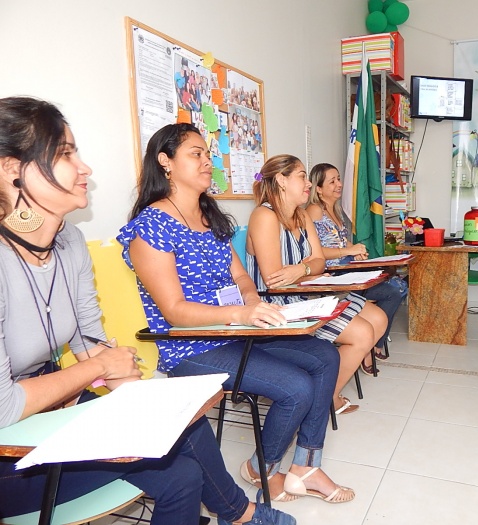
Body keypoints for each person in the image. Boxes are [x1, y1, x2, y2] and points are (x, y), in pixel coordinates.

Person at [0, 97, 294, 525]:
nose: (85, 168)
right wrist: (98, 368)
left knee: (182, 443)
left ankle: (237, 512)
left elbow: (88, 339)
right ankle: (240, 513)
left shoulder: (68, 242)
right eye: (65, 154)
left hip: (52, 406)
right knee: (182, 468)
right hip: (10, 445)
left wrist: (131, 388)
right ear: (12, 170)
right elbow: (6, 405)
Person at [117, 124, 354, 505]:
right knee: (297, 388)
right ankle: (263, 468)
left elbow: (242, 277)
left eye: (207, 154)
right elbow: (175, 312)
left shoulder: (210, 217)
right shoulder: (151, 227)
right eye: (196, 154)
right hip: (192, 346)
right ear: (165, 162)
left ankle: (305, 466)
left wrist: (254, 304)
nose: (207, 161)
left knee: (326, 355)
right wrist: (242, 313)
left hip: (237, 330)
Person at [246, 154, 388, 414]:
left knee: (378, 318)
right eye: (302, 176)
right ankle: (327, 399)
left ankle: (322, 394)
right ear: (281, 181)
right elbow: (274, 279)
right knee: (362, 333)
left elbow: (320, 260)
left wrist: (302, 269)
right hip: (277, 305)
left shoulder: (301, 215)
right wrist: (308, 270)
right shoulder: (264, 216)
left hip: (306, 294)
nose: (308, 183)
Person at [307, 162, 404, 364]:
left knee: (398, 285)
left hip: (348, 269)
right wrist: (348, 251)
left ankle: (373, 342)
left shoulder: (336, 210)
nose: (339, 184)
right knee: (392, 291)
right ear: (318, 188)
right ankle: (371, 347)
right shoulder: (314, 210)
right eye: (332, 181)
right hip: (333, 276)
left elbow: (341, 241)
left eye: (339, 179)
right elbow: (315, 252)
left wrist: (357, 249)